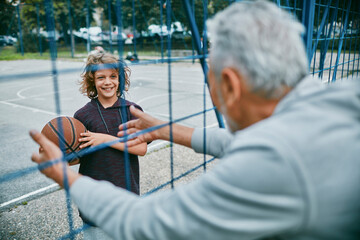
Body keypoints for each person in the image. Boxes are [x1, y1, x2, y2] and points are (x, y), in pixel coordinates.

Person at [30, 1, 360, 239]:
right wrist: (162, 129)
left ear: (229, 85)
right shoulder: (345, 96)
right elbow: (243, 142)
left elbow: (142, 222)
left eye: (210, 79)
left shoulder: (268, 166)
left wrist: (63, 176)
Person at [74, 50, 147, 238]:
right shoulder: (82, 115)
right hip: (93, 198)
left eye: (113, 76)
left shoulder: (132, 110)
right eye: (101, 77)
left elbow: (141, 148)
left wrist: (105, 139)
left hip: (126, 194)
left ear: (120, 79)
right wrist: (56, 152)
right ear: (92, 81)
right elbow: (77, 154)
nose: (107, 82)